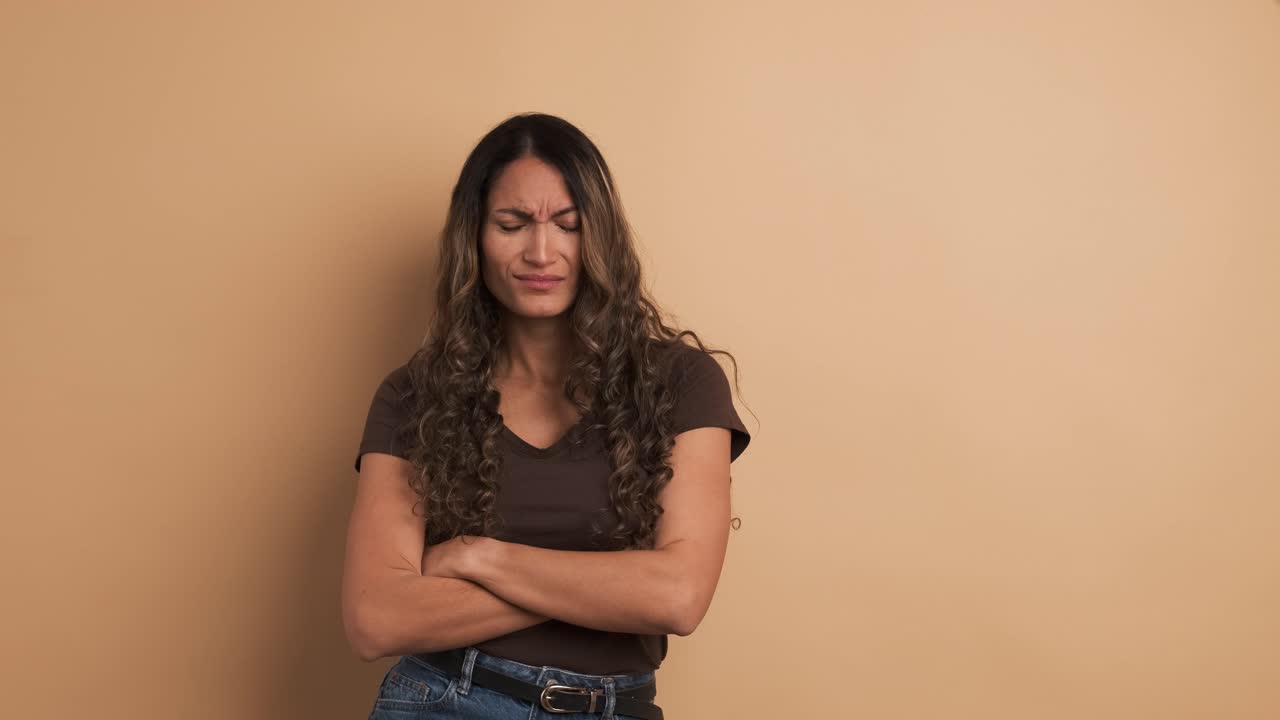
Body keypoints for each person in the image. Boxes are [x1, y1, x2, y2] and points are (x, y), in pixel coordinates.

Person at [343, 112, 752, 720]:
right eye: (512, 224)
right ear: (474, 239)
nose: (541, 252)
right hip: (443, 700)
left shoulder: (681, 385)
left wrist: (483, 557)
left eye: (568, 224)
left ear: (601, 238)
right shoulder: (414, 396)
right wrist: (614, 585)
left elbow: (679, 597)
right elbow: (376, 619)